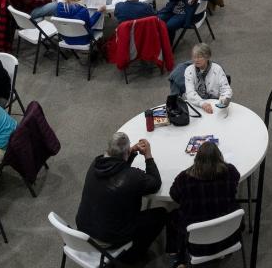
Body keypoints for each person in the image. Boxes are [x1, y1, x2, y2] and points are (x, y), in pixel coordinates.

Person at [76, 132, 167, 263]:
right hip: (109, 238)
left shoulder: (95, 164)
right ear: (125, 153)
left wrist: (131, 152)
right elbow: (155, 183)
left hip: (83, 231)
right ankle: (134, 256)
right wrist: (148, 156)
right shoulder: (132, 177)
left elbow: (116, 167)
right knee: (160, 214)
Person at [167, 142, 242, 263]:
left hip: (195, 244)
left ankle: (177, 257)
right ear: (220, 157)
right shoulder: (231, 172)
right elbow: (235, 184)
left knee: (171, 216)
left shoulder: (184, 178)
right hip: (228, 237)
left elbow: (174, 196)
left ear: (196, 159)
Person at [183, 43, 233, 111]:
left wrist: (225, 99)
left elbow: (226, 89)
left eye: (200, 57)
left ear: (208, 57)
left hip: (214, 103)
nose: (196, 60)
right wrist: (202, 104)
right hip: (195, 103)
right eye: (194, 57)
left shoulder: (217, 69)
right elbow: (190, 92)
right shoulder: (189, 70)